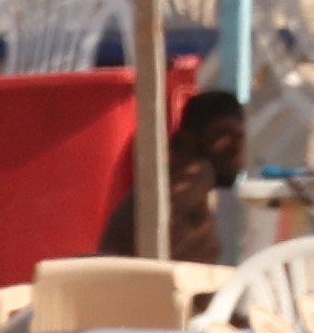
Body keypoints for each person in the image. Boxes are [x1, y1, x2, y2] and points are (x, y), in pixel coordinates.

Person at [98, 86, 243, 263]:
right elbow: (164, 225)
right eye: (222, 135)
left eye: (239, 137)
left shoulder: (169, 177)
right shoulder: (195, 172)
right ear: (189, 139)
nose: (235, 148)